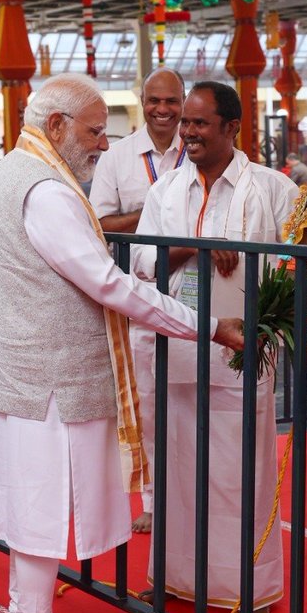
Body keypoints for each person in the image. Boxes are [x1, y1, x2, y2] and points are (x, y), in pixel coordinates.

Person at [0, 73, 244, 613]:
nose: (102, 143)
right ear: (57, 127)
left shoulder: (17, 170)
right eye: (94, 132)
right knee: (40, 507)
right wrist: (207, 325)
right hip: (47, 377)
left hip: (24, 369)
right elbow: (109, 284)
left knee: (30, 503)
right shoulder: (44, 189)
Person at [133, 81, 298, 613]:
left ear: (232, 128)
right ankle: (176, 577)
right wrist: (202, 249)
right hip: (179, 350)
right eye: (186, 123)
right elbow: (141, 265)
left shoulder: (273, 189)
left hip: (241, 355)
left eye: (200, 123)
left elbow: (299, 268)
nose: (188, 133)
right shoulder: (165, 192)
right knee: (177, 469)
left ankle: (245, 586)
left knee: (237, 472)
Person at [88, 67, 187, 536]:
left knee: (196, 400)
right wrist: (156, 213)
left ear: (184, 103)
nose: (163, 110)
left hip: (198, 288)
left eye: (172, 101)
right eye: (155, 101)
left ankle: (197, 492)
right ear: (141, 101)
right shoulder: (119, 158)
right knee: (146, 403)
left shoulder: (202, 150)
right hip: (140, 295)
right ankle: (151, 498)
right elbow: (101, 225)